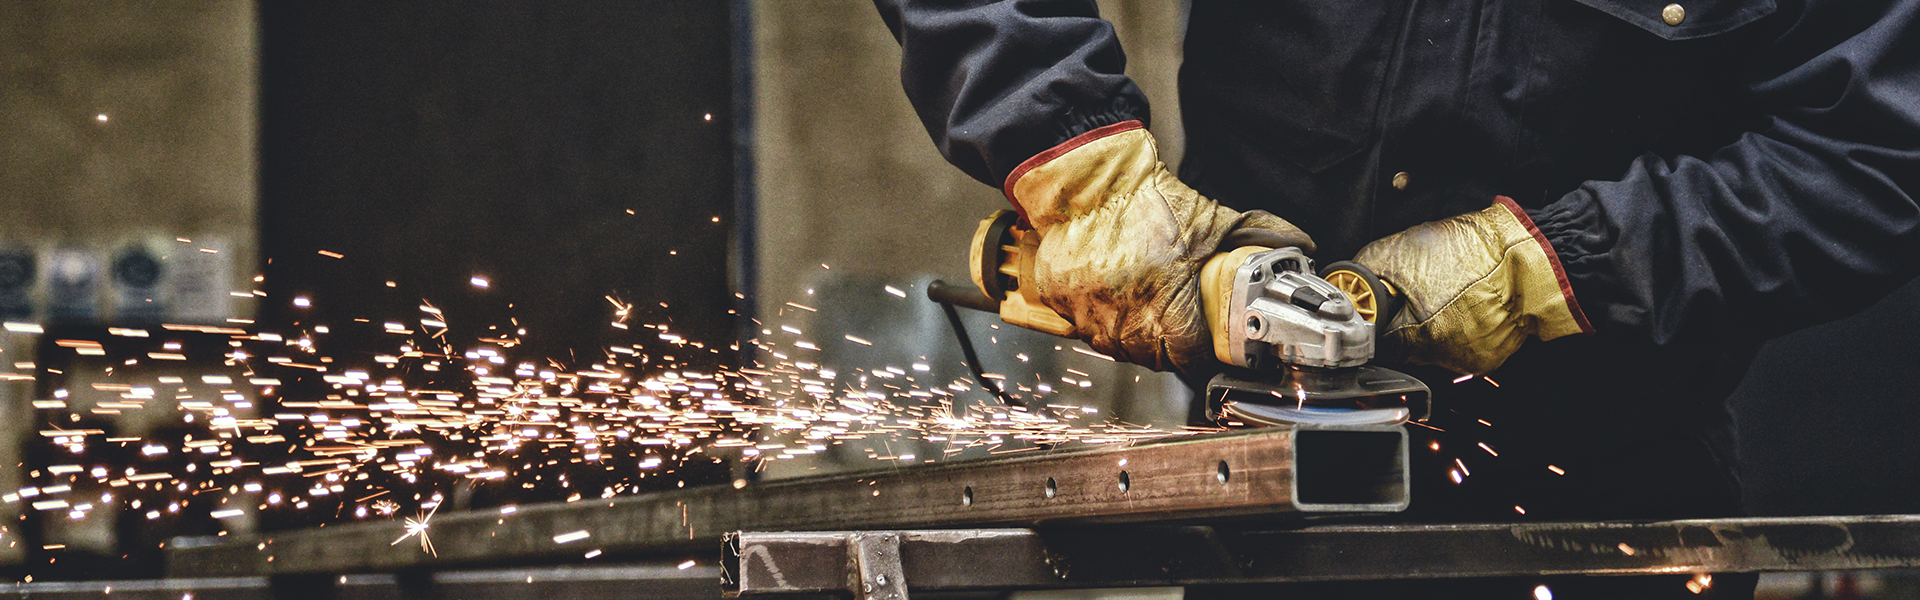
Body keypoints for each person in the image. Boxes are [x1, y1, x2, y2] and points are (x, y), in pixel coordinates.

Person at [874, 0, 1920, 597]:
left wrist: (1549, 266)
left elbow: (1881, 154)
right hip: (1267, 505)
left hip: (1616, 509)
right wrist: (1083, 168)